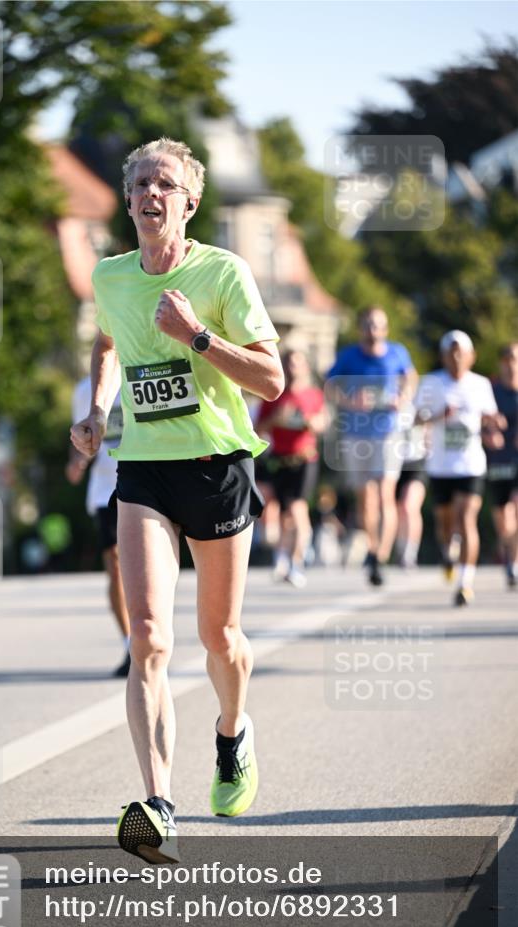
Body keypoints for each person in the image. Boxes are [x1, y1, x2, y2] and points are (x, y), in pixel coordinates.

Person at [70, 137, 283, 864]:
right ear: (127, 200)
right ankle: (158, 802)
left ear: (189, 202)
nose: (149, 194)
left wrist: (194, 335)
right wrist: (99, 410)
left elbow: (271, 381)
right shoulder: (109, 277)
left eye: (164, 184)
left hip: (217, 465)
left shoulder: (222, 272)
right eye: (138, 185)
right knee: (149, 638)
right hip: (144, 472)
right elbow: (105, 343)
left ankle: (231, 732)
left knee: (218, 638)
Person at [325, 307, 417, 586]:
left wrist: (403, 397)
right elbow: (329, 385)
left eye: (377, 324)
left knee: (386, 494)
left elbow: (410, 377)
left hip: (388, 432)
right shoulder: (349, 356)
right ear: (360, 328)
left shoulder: (397, 352)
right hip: (356, 434)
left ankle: (380, 555)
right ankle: (373, 546)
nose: (372, 329)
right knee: (366, 497)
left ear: (385, 328)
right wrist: (351, 402)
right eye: (367, 324)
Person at [414, 329, 505, 606]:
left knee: (466, 520)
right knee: (445, 525)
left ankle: (465, 583)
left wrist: (495, 426)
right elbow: (416, 418)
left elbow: (490, 417)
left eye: (461, 353)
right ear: (442, 356)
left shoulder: (480, 385)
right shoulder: (431, 383)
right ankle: (447, 550)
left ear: (471, 357)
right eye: (451, 352)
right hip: (441, 466)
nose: (456, 358)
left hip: (471, 464)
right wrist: (439, 416)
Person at [68, 375, 131, 675]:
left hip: (145, 482)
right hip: (105, 489)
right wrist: (76, 462)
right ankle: (131, 643)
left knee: (148, 567)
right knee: (115, 564)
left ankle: (151, 637)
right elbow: (80, 434)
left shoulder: (139, 369)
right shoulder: (84, 390)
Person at [255, 349, 326, 587]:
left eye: (297, 363)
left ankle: (296, 563)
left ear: (305, 367)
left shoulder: (314, 395)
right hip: (278, 460)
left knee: (297, 509)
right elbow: (258, 429)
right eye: (288, 363)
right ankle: (282, 558)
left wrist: (310, 422)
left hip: (304, 459)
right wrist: (276, 419)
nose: (293, 368)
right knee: (281, 516)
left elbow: (322, 423)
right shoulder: (273, 396)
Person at [485, 343, 518, 588]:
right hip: (497, 461)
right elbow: (478, 421)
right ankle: (508, 556)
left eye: (515, 359)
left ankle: (513, 564)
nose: (511, 365)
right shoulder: (491, 391)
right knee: (503, 518)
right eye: (507, 360)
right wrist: (488, 435)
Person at [394, 405, 428, 568]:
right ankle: (400, 550)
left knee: (409, 506)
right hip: (393, 462)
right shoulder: (386, 401)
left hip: (416, 462)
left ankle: (410, 553)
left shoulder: (418, 402)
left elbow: (430, 424)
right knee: (399, 510)